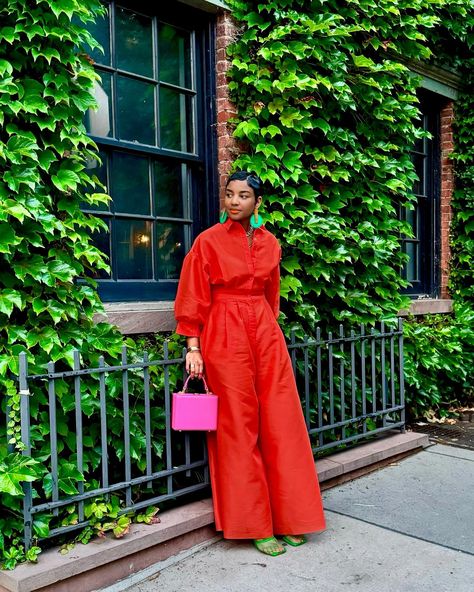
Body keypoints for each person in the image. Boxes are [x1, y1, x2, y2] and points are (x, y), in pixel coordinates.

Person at [174, 171, 326, 556]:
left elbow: (272, 295)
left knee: (281, 421)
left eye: (243, 195)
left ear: (258, 202)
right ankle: (254, 524)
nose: (234, 201)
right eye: (229, 194)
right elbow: (193, 296)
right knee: (237, 427)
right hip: (223, 333)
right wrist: (194, 347)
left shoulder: (271, 244)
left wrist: (267, 329)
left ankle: (290, 517)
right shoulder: (207, 242)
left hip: (264, 331)